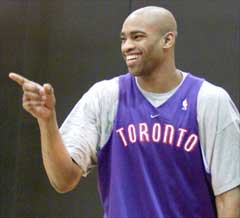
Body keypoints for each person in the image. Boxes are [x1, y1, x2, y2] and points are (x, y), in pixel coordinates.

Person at [9, 6, 240, 218]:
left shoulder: (209, 101)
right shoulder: (105, 96)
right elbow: (63, 180)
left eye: (137, 37)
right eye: (123, 39)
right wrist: (47, 121)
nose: (127, 46)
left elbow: (229, 197)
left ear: (167, 40)